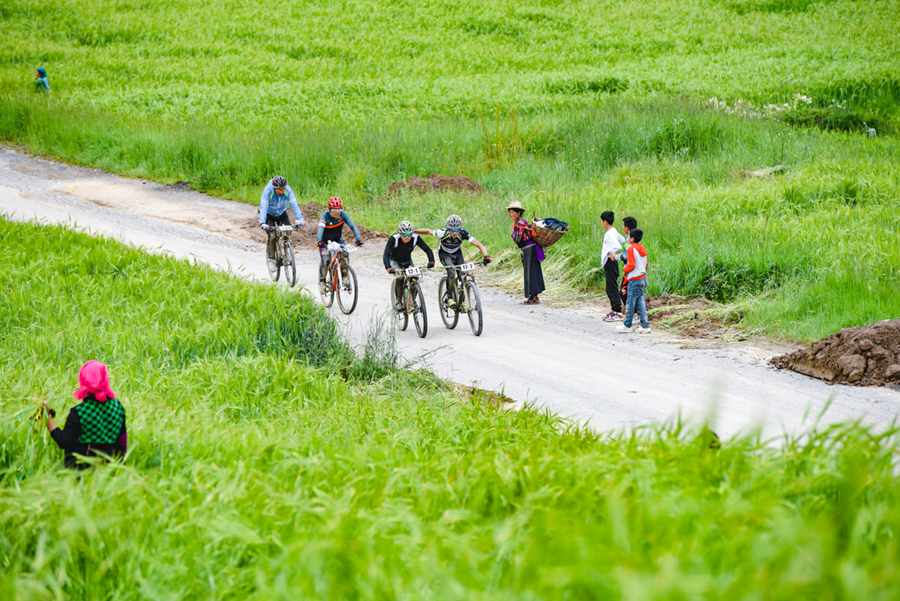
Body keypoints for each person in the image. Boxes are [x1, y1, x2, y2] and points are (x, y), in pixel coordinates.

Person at [42, 361, 127, 470]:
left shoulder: (79, 413)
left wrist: (46, 417)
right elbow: (122, 441)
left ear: (83, 381)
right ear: (105, 380)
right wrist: (120, 467)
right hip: (107, 469)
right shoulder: (117, 407)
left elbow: (63, 441)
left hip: (80, 470)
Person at [415, 214, 491, 307]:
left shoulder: (463, 234)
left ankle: (462, 300)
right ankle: (449, 297)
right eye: (452, 230)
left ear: (460, 229)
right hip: (444, 254)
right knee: (451, 271)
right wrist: (413, 231)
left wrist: (486, 256)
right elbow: (428, 231)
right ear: (447, 229)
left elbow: (479, 244)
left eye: (457, 230)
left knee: (463, 272)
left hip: (457, 253)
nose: (455, 232)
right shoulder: (442, 233)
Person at [383, 220, 435, 310]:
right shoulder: (393, 239)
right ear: (400, 233)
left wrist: (431, 261)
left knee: (414, 278)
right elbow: (386, 255)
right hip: (395, 261)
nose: (407, 237)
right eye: (404, 235)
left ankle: (412, 300)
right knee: (400, 277)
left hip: (407, 261)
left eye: (409, 234)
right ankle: (398, 302)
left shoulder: (415, 237)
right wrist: (388, 267)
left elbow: (427, 249)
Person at [259, 176, 306, 272]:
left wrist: (300, 219)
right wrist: (262, 222)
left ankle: (287, 252)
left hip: (281, 214)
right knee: (272, 235)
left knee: (288, 231)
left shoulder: (288, 190)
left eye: (283, 189)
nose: (281, 192)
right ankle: (271, 259)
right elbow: (263, 206)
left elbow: (293, 204)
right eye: (279, 190)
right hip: (269, 215)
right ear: (274, 188)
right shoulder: (268, 190)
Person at [609, 228, 650, 333]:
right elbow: (646, 264)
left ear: (632, 239)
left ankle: (627, 326)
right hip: (643, 279)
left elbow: (631, 264)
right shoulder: (643, 248)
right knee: (641, 304)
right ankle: (645, 326)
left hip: (634, 280)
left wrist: (625, 270)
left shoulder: (631, 249)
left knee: (630, 303)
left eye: (629, 237)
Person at [316, 196, 363, 288]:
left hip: (337, 239)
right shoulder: (324, 216)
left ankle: (345, 277)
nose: (337, 213)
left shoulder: (343, 215)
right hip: (325, 241)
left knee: (345, 255)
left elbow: (352, 226)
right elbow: (320, 229)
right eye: (334, 210)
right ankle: (322, 282)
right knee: (326, 261)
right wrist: (319, 240)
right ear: (329, 209)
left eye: (339, 210)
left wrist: (358, 238)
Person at [507, 200, 544, 304]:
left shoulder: (519, 223)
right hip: (531, 249)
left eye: (513, 212)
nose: (511, 214)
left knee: (530, 272)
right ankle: (534, 296)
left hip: (529, 250)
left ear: (519, 212)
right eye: (509, 212)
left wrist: (512, 231)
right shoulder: (522, 220)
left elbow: (517, 240)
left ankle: (533, 297)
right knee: (533, 271)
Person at [600, 211, 625, 322]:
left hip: (610, 262)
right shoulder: (613, 231)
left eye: (601, 221)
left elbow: (618, 246)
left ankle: (618, 312)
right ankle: (614, 310)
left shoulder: (609, 234)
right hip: (610, 263)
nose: (601, 223)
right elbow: (622, 239)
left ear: (605, 222)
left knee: (611, 288)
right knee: (610, 287)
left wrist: (612, 253)